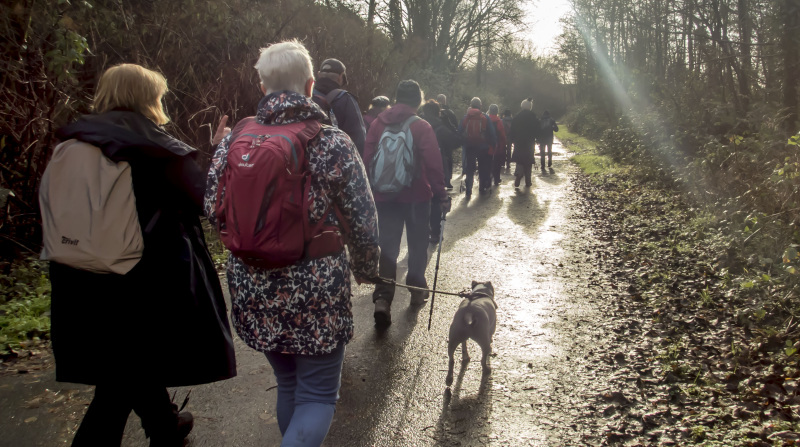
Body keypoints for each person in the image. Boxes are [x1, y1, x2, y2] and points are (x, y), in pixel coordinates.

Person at [47, 64, 237, 447]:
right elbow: (206, 199)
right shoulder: (158, 149)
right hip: (141, 278)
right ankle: (163, 429)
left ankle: (166, 425)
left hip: (76, 271)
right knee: (120, 381)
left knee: (123, 364)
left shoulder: (72, 142)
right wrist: (219, 153)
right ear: (148, 99)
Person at [204, 41, 380, 446]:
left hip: (252, 282)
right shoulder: (332, 141)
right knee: (317, 393)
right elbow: (364, 219)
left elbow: (211, 204)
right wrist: (368, 269)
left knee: (289, 385)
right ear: (310, 83)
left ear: (263, 85)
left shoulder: (236, 139)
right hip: (315, 287)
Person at [364, 80, 451, 327]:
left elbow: (367, 158)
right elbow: (434, 165)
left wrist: (371, 191)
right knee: (417, 244)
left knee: (388, 248)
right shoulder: (421, 126)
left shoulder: (378, 123)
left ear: (396, 97)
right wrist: (441, 195)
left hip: (384, 197)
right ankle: (416, 289)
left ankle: (382, 299)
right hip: (416, 197)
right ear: (419, 100)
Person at [421, 99, 461, 243]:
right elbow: (457, 140)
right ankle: (435, 233)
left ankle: (421, 232)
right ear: (438, 112)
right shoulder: (441, 127)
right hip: (437, 167)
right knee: (437, 199)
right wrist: (448, 122)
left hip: (417, 170)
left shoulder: (415, 125)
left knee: (421, 201)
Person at [312, 58, 367, 155]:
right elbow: (359, 138)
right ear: (340, 77)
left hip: (309, 162)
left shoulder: (306, 97)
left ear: (319, 75)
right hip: (337, 163)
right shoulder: (346, 100)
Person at [457, 97, 497, 198]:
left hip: (469, 146)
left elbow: (459, 131)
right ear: (480, 106)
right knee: (483, 167)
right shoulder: (485, 117)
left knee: (470, 168)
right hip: (483, 147)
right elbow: (492, 133)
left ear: (471, 105)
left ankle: (469, 189)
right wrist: (493, 144)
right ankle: (482, 187)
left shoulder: (466, 117)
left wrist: (463, 142)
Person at [509, 98, 540, 188]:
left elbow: (512, 130)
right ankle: (528, 180)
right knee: (528, 161)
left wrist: (512, 140)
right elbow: (537, 129)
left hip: (518, 142)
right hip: (529, 142)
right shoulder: (533, 117)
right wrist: (538, 138)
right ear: (530, 107)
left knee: (520, 160)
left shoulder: (517, 117)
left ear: (522, 106)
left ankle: (518, 174)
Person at [487, 104, 507, 186]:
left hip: (487, 145)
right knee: (497, 163)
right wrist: (504, 143)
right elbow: (502, 134)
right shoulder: (499, 121)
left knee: (487, 163)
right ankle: (496, 179)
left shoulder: (485, 119)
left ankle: (487, 179)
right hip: (497, 146)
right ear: (497, 112)